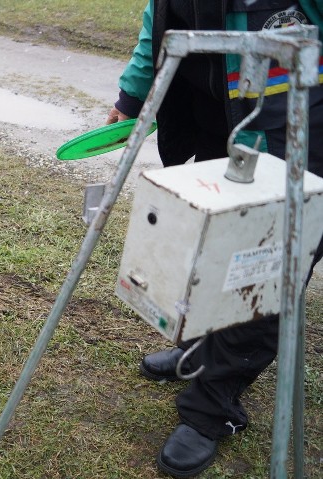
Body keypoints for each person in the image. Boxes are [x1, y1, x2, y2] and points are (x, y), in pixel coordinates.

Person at [107, 0, 323, 477]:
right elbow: (160, 24)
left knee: (264, 271)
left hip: (293, 126)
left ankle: (212, 407)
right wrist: (130, 97)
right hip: (215, 120)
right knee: (208, 251)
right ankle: (200, 350)